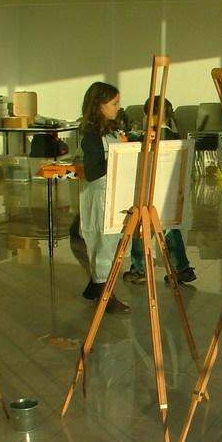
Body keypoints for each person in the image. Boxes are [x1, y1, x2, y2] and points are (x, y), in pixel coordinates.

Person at [123, 96, 197, 285]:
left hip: (148, 191)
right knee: (170, 230)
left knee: (140, 230)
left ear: (149, 115)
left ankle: (139, 269)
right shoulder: (175, 136)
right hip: (169, 192)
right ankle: (182, 268)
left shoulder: (147, 137)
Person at [79, 81, 131, 314]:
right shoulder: (91, 135)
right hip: (100, 196)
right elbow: (93, 171)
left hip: (112, 194)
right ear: (100, 105)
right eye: (114, 103)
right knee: (104, 245)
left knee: (112, 242)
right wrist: (120, 155)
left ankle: (94, 287)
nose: (118, 107)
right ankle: (104, 295)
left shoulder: (110, 129)